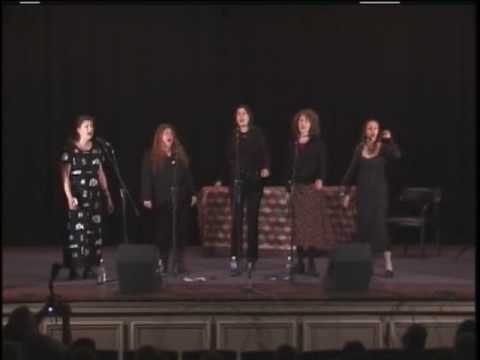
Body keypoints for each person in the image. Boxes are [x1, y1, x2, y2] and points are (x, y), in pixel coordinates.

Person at [341, 118, 401, 278]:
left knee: (380, 228)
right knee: (364, 229)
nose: (372, 131)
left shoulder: (383, 148)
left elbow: (396, 155)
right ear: (365, 131)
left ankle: (389, 266)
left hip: (379, 195)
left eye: (375, 128)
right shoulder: (359, 149)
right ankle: (366, 264)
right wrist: (346, 193)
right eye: (369, 128)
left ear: (378, 131)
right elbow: (351, 172)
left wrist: (390, 139)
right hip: (364, 195)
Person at [215, 105, 271, 275]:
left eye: (244, 113)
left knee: (252, 221)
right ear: (235, 118)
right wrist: (220, 178)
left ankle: (251, 258)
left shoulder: (257, 133)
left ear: (249, 116)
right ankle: (235, 257)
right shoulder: (234, 135)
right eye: (238, 114)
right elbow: (227, 159)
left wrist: (266, 167)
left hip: (254, 182)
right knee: (236, 221)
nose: (241, 116)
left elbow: (265, 153)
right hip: (237, 183)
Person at [61, 115, 114, 280]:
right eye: (86, 126)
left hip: (94, 198)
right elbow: (64, 176)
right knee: (78, 234)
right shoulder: (70, 149)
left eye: (91, 126)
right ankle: (76, 268)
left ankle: (91, 267)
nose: (90, 129)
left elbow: (100, 174)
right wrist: (69, 197)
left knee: (94, 234)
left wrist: (108, 196)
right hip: (78, 198)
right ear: (78, 130)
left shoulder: (97, 149)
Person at [141, 123, 196, 274]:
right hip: (163, 199)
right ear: (160, 137)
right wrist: (146, 196)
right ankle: (163, 263)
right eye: (165, 133)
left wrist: (192, 193)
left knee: (181, 232)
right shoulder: (151, 155)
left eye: (171, 133)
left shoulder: (179, 154)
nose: (169, 135)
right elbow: (146, 177)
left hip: (181, 199)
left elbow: (187, 176)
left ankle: (179, 263)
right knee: (163, 233)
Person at [283, 108, 327, 276]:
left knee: (311, 228)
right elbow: (287, 168)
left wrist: (320, 178)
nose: (303, 124)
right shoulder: (292, 143)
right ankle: (300, 262)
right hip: (297, 188)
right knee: (299, 228)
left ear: (312, 124)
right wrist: (287, 187)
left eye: (306, 121)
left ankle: (311, 264)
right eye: (300, 121)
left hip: (310, 188)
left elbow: (322, 164)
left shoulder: (317, 143)